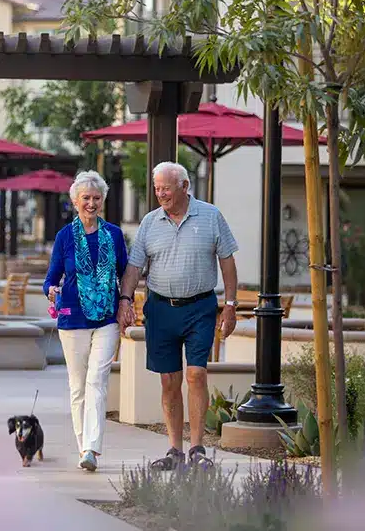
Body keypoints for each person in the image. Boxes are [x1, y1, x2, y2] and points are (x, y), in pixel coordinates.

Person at [117, 162, 238, 470]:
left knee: (196, 374)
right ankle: (175, 449)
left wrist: (231, 304)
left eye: (166, 188)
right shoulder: (149, 222)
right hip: (160, 308)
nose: (161, 195)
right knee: (169, 381)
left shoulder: (211, 216)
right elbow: (134, 267)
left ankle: (198, 449)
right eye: (157, 189)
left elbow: (227, 262)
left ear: (185, 187)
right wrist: (125, 299)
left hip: (199, 307)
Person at [44, 170, 128, 472]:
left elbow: (124, 274)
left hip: (106, 319)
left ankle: (93, 447)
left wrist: (125, 302)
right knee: (78, 386)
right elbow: (52, 277)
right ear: (75, 201)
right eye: (86, 198)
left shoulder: (114, 235)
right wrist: (50, 290)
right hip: (72, 319)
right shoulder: (65, 236)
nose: (91, 204)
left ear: (102, 200)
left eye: (96, 198)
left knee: (97, 381)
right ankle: (83, 448)